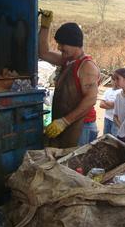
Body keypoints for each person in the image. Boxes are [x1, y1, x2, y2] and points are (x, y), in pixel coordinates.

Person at [38, 10, 99, 147]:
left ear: (74, 43)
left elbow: (91, 99)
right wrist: (45, 27)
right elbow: (43, 52)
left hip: (82, 127)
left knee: (74, 167)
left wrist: (64, 121)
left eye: (62, 44)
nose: (59, 48)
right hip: (67, 125)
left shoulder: (86, 66)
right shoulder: (67, 60)